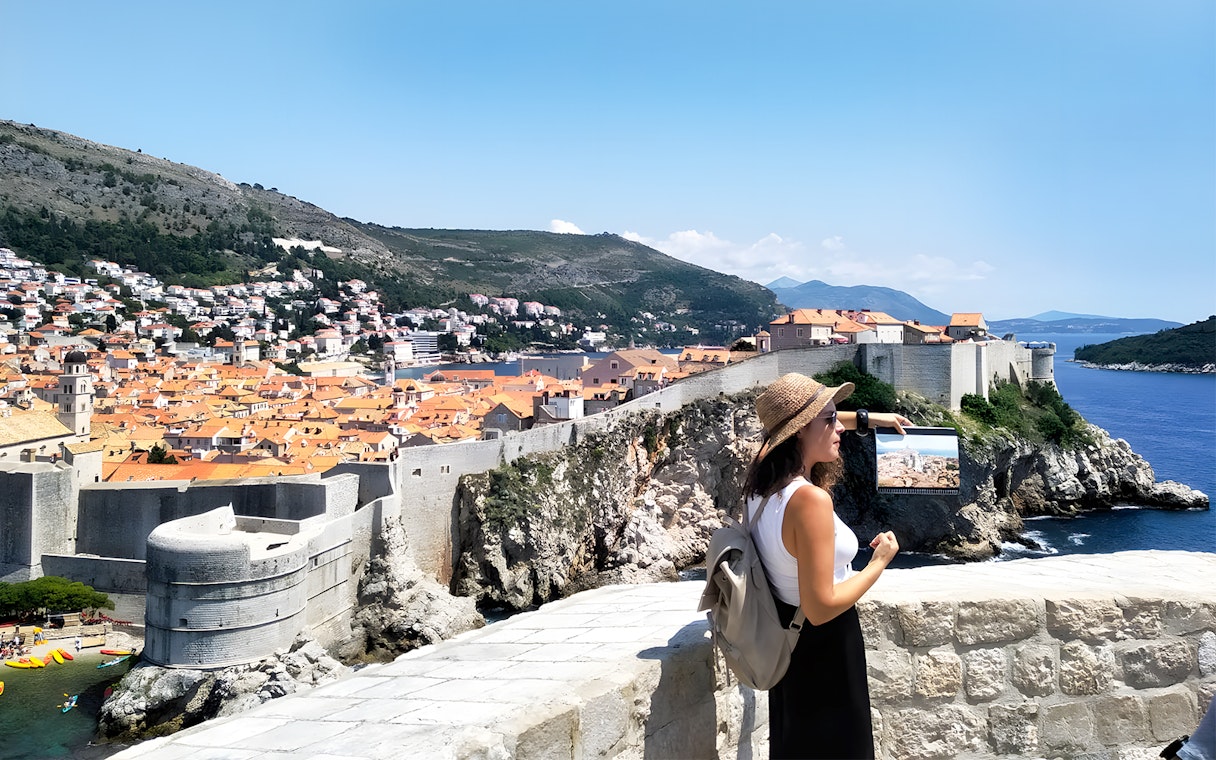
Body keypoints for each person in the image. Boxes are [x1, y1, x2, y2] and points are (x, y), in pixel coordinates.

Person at [743, 372, 908, 759]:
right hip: (825, 646)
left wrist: (875, 419)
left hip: (787, 638)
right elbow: (820, 608)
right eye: (830, 420)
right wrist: (879, 563)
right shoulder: (810, 501)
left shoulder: (763, 478)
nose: (841, 427)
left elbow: (815, 423)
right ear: (800, 431)